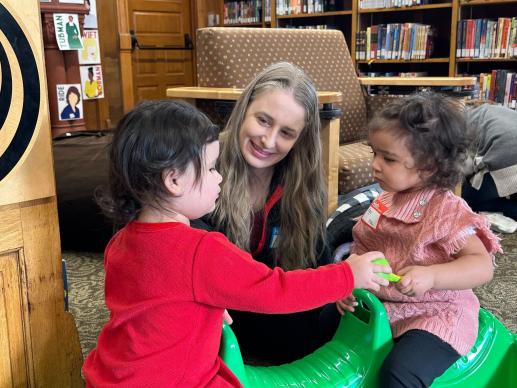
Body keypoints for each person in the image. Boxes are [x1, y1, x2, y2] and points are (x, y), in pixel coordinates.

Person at [81, 99, 391, 387]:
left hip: (111, 373)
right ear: (174, 180)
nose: (220, 178)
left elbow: (155, 306)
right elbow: (276, 290)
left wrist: (205, 311)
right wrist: (348, 274)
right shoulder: (201, 249)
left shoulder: (121, 240)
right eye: (212, 167)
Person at [336, 92, 502, 388]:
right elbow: (361, 250)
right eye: (375, 153)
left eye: (388, 159)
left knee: (400, 373)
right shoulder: (382, 202)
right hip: (384, 306)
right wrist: (348, 281)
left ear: (429, 168)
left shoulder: (447, 211)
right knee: (318, 319)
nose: (375, 165)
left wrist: (432, 275)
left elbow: (482, 266)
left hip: (437, 313)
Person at [205, 62, 335, 363]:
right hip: (223, 326)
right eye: (263, 120)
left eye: (287, 133)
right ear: (244, 109)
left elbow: (317, 267)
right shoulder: (204, 169)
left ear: (300, 139)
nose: (269, 140)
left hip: (286, 326)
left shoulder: (303, 185)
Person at [461, 101, 517, 227]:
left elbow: (466, 166)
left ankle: (510, 209)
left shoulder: (461, 119)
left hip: (510, 159)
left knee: (466, 200)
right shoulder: (496, 109)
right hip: (510, 157)